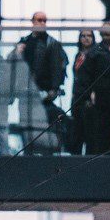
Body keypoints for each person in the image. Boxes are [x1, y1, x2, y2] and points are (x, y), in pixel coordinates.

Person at [18, 10, 67, 149]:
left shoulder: (51, 43)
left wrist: (54, 89)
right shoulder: (24, 42)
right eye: (39, 20)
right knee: (27, 126)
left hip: (43, 93)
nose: (42, 23)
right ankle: (28, 153)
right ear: (32, 22)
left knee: (42, 125)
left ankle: (43, 155)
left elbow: (57, 68)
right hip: (26, 92)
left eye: (44, 20)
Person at [64, 29, 95, 155]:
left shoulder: (95, 55)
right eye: (83, 36)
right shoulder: (78, 55)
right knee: (77, 132)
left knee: (89, 133)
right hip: (77, 98)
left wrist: (93, 94)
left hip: (88, 99)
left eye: (89, 36)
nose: (86, 38)